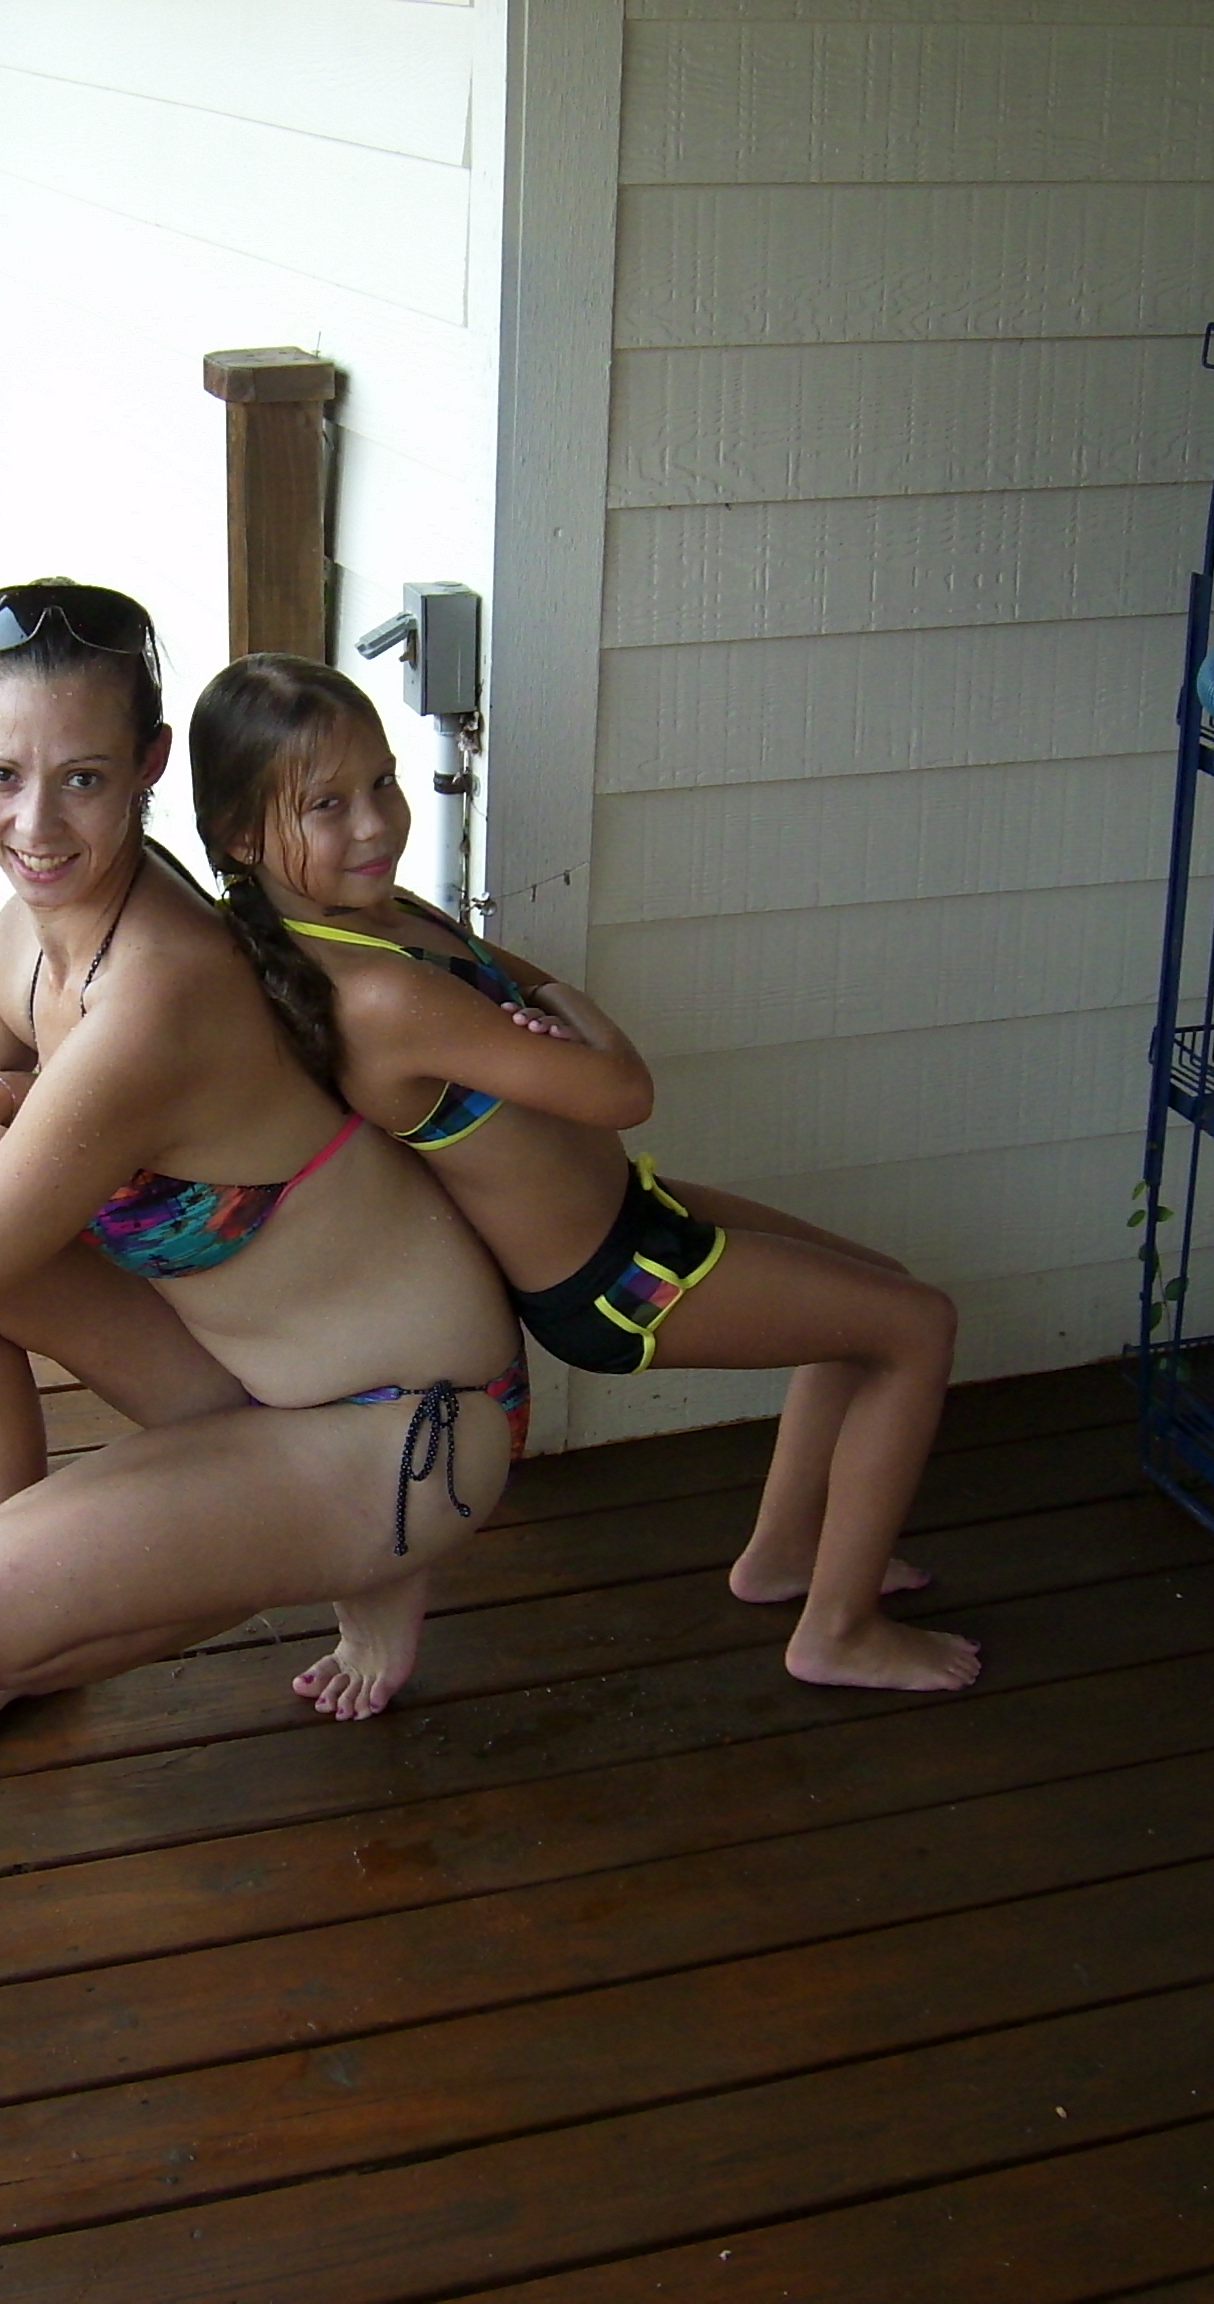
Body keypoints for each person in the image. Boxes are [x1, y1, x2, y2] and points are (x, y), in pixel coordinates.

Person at [0, 585, 527, 1789]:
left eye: (84, 779)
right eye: (3, 775)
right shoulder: (31, 937)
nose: (36, 824)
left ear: (149, 766)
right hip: (253, 1374)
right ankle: (31, 1600)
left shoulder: (154, 994)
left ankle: (362, 1557)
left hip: (411, 1424)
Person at [191, 654, 976, 1693]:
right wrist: (565, 1013)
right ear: (242, 836)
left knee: (881, 1299)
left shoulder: (388, 918)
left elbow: (532, 991)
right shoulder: (377, 994)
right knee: (913, 1329)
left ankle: (789, 1555)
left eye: (382, 781)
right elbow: (621, 1087)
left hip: (639, 1215)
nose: (376, 823)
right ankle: (838, 1631)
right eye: (327, 805)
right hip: (614, 1282)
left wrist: (545, 1008)